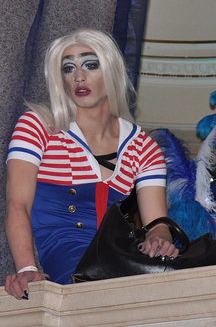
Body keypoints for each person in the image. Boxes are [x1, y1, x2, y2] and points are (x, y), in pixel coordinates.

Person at [4, 28, 177, 298]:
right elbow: (18, 204)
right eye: (68, 68)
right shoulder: (38, 125)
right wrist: (27, 268)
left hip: (122, 257)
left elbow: (157, 223)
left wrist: (160, 239)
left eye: (90, 65)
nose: (78, 77)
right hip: (68, 263)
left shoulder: (144, 147)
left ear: (111, 70)